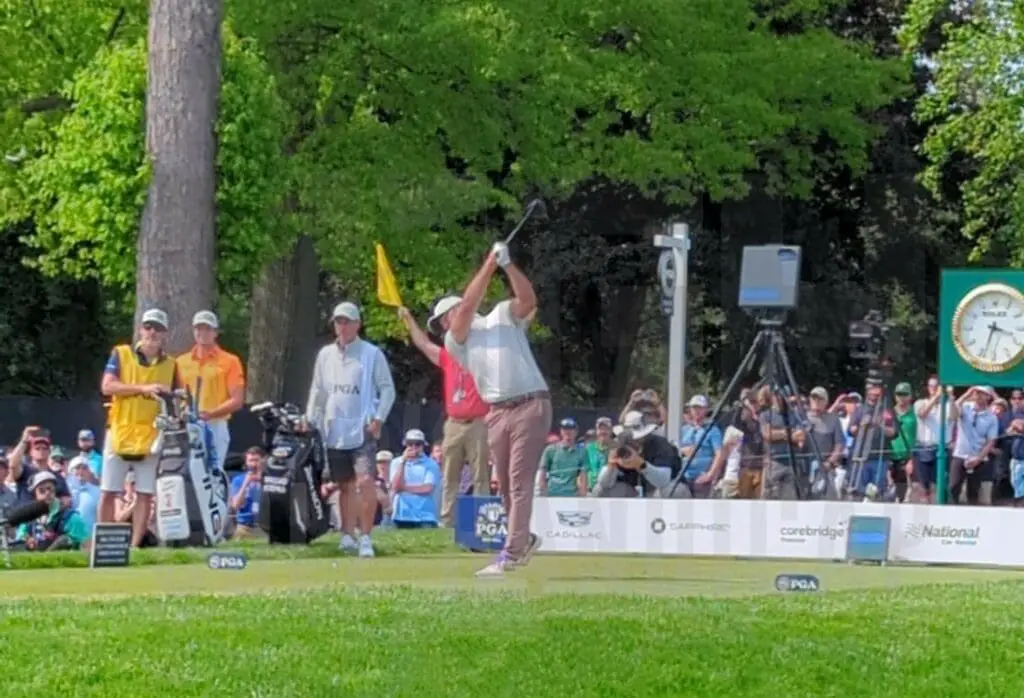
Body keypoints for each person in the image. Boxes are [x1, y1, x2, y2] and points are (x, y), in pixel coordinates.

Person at [441, 241, 551, 577]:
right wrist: (490, 263)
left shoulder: (502, 314)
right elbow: (470, 304)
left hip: (531, 403)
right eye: (444, 318)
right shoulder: (455, 340)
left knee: (518, 481)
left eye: (448, 313)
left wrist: (508, 265)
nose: (448, 321)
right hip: (498, 412)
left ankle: (512, 553)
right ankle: (525, 538)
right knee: (503, 484)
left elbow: (529, 301)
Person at [306, 301, 396, 558]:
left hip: (363, 429)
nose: (342, 327)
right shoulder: (325, 355)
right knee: (344, 484)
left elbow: (387, 388)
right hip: (334, 430)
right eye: (338, 322)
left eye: (347, 322)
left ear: (357, 324)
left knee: (365, 481)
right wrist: (311, 419)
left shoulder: (371, 354)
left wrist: (378, 418)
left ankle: (366, 537)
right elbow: (318, 390)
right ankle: (347, 535)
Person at [398, 303, 489, 526]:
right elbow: (422, 343)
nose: (444, 327)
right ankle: (447, 522)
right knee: (449, 474)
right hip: (454, 422)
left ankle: (483, 524)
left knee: (480, 476)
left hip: (479, 420)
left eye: (445, 320)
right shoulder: (448, 357)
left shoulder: (482, 353)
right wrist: (408, 320)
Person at [99, 308, 179, 548]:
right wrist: (143, 389)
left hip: (151, 435)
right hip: (120, 430)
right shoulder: (121, 354)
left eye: (157, 328)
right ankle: (106, 544)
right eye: (148, 327)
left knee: (145, 493)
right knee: (108, 490)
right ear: (141, 329)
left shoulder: (172, 365)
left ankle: (134, 547)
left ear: (165, 334)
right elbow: (108, 387)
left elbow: (178, 398)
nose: (152, 332)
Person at [175, 310, 245, 473]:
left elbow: (237, 400)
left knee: (213, 474)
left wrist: (211, 413)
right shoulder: (181, 362)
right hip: (187, 426)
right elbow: (177, 396)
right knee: (187, 473)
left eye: (207, 329)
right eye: (199, 328)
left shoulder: (230, 361)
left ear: (215, 332)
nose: (202, 333)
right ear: (193, 331)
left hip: (215, 425)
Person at [592, 411, 684, 498]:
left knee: (673, 491)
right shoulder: (619, 445)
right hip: (632, 492)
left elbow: (664, 480)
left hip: (658, 490)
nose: (633, 441)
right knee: (599, 490)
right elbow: (604, 484)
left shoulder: (660, 444)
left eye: (637, 437)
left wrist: (641, 465)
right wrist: (611, 466)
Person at [15, 471, 89, 551]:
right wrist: (27, 542)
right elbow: (19, 541)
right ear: (35, 494)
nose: (47, 493)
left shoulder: (71, 517)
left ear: (55, 491)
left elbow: (86, 547)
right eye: (42, 490)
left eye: (50, 489)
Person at [388, 429, 442, 528]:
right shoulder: (396, 462)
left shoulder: (431, 464)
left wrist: (403, 488)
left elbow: (427, 489)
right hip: (401, 515)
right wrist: (403, 462)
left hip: (425, 516)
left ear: (423, 445)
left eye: (418, 444)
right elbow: (395, 487)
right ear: (405, 444)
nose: (413, 447)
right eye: (410, 444)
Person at [7, 427, 72, 507]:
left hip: (49, 517)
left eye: (44, 448)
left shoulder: (57, 477)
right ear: (30, 452)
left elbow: (66, 500)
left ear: (49, 452)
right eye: (37, 448)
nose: (41, 450)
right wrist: (24, 441)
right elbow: (13, 464)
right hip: (26, 517)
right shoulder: (24, 470)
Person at [538, 418, 588, 497]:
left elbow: (583, 474)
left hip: (572, 494)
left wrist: (582, 495)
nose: (567, 432)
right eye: (564, 429)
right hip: (552, 493)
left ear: (576, 432)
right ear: (561, 432)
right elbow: (542, 473)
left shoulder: (582, 452)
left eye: (571, 429)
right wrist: (543, 493)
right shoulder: (550, 450)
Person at [229, 447, 264, 539]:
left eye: (256, 460)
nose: (253, 464)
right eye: (250, 461)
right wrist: (245, 483)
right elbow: (235, 505)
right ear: (246, 463)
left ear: (262, 461)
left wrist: (262, 481)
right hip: (244, 527)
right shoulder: (238, 480)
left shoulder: (269, 479)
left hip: (264, 527)